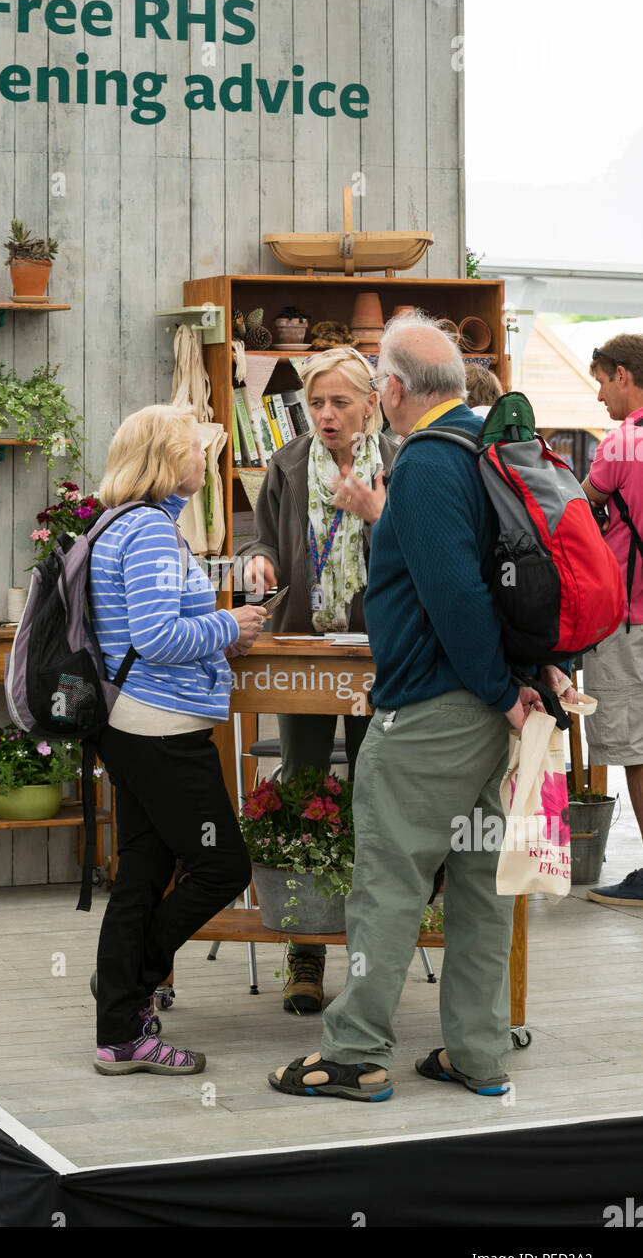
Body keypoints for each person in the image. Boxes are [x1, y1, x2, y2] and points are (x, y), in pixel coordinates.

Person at [268, 310, 574, 1102]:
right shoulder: (487, 447)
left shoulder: (430, 463)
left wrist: (502, 693)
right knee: (479, 883)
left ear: (392, 389)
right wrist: (522, 686)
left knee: (388, 880)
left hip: (438, 711)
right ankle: (477, 1054)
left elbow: (456, 598)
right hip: (496, 712)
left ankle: (354, 1051)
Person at [88, 404, 266, 1076]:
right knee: (222, 868)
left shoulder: (119, 524)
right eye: (196, 449)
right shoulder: (155, 534)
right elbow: (157, 638)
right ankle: (129, 987)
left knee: (141, 874)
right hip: (162, 728)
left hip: (130, 725)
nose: (206, 459)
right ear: (167, 460)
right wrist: (231, 625)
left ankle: (120, 1033)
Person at [239, 346, 395, 1013]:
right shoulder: (289, 461)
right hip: (303, 653)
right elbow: (264, 540)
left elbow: (430, 550)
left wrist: (375, 513)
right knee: (304, 791)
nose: (325, 416)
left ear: (371, 403)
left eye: (338, 403)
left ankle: (373, 947)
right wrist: (259, 565)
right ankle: (306, 953)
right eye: (316, 403)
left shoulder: (403, 463)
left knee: (374, 792)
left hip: (384, 656)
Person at [581, 336, 643, 907]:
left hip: (629, 621)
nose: (599, 395)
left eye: (601, 381)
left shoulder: (622, 444)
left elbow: (580, 512)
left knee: (634, 749)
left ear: (624, 375)